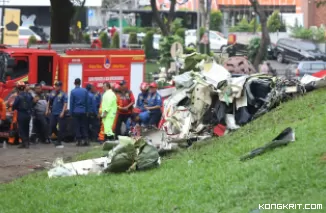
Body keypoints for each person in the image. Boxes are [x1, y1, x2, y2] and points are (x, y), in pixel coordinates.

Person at [46, 81, 67, 148]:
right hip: (53, 113)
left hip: (60, 113)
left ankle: (59, 141)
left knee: (60, 127)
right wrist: (47, 109)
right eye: (55, 85)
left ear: (60, 86)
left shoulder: (63, 94)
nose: (56, 87)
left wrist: (62, 112)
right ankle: (57, 137)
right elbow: (49, 102)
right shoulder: (52, 93)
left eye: (57, 86)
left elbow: (65, 104)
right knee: (52, 126)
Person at [12, 82, 33, 148]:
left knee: (21, 129)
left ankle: (25, 143)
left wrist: (14, 109)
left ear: (18, 88)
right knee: (27, 128)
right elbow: (32, 101)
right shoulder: (29, 95)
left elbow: (14, 105)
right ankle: (27, 142)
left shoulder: (18, 96)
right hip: (28, 114)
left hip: (21, 114)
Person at [70, 78, 89, 146]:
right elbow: (87, 102)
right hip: (83, 111)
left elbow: (71, 103)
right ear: (80, 83)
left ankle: (78, 140)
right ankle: (86, 139)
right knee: (83, 126)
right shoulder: (85, 91)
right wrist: (87, 111)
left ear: (74, 83)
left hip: (76, 111)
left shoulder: (73, 91)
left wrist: (71, 113)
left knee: (77, 126)